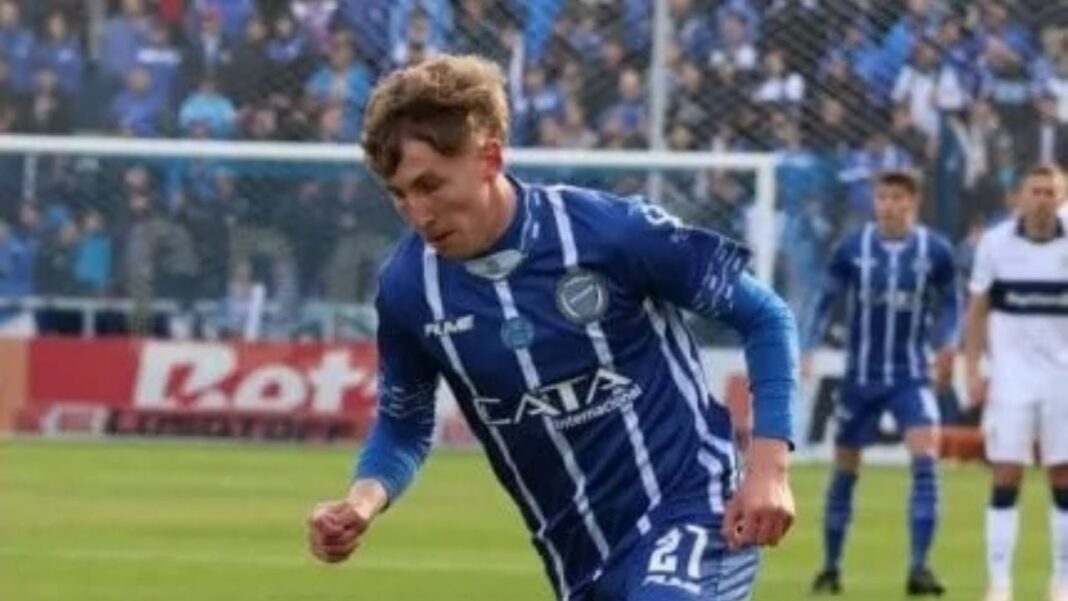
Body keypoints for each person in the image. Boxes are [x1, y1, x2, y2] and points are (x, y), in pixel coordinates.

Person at [305, 54, 799, 601]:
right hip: (577, 560)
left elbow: (765, 316)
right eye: (400, 195)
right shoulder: (408, 290)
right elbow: (404, 424)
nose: (419, 214)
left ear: (490, 157)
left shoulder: (608, 233)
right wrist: (361, 503)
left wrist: (769, 468)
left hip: (691, 507)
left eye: (431, 185)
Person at [806, 170, 961, 596]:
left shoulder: (935, 250)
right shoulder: (852, 248)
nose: (888, 205)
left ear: (913, 201)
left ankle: (919, 568)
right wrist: (807, 345)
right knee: (845, 470)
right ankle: (831, 567)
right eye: (882, 197)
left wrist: (948, 344)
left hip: (911, 376)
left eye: (897, 198)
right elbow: (824, 299)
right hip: (860, 378)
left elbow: (952, 303)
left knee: (925, 461)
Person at [964, 164, 1068, 601]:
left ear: (1062, 198)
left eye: (1051, 192)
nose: (1042, 199)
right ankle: (1000, 583)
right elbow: (978, 310)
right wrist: (972, 369)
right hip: (1011, 379)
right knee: (1006, 474)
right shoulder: (995, 243)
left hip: (1063, 378)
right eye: (1035, 191)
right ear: (1020, 197)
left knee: (1063, 477)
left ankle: (1062, 580)